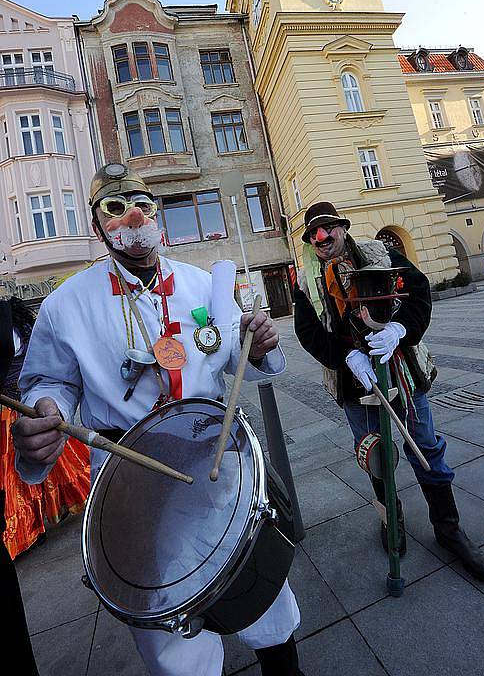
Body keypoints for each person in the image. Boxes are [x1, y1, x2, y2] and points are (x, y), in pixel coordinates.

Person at [13, 163, 304, 676]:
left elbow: (231, 362)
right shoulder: (65, 305)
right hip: (131, 477)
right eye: (116, 207)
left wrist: (255, 347)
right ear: (98, 222)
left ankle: (284, 667)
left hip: (212, 457)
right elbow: (49, 382)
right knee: (169, 630)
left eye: (144, 204)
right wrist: (49, 412)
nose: (134, 216)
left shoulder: (199, 285)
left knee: (259, 583)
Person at [293, 200, 484, 581]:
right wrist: (347, 356)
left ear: (342, 229)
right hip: (357, 384)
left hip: (402, 371)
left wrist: (400, 329)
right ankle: (392, 522)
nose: (323, 237)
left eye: (329, 228)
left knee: (426, 447)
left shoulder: (381, 251)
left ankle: (449, 529)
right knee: (376, 456)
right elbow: (308, 333)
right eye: (315, 233)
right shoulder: (305, 282)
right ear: (310, 241)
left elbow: (417, 292)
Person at [1, 296, 90, 559]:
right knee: (42, 465)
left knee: (28, 471)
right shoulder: (22, 330)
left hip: (19, 406)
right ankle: (40, 521)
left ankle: (34, 526)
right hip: (22, 404)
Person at [0, 297, 39, 675]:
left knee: (25, 480)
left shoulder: (10, 332)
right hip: (12, 408)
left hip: (18, 409)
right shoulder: (14, 331)